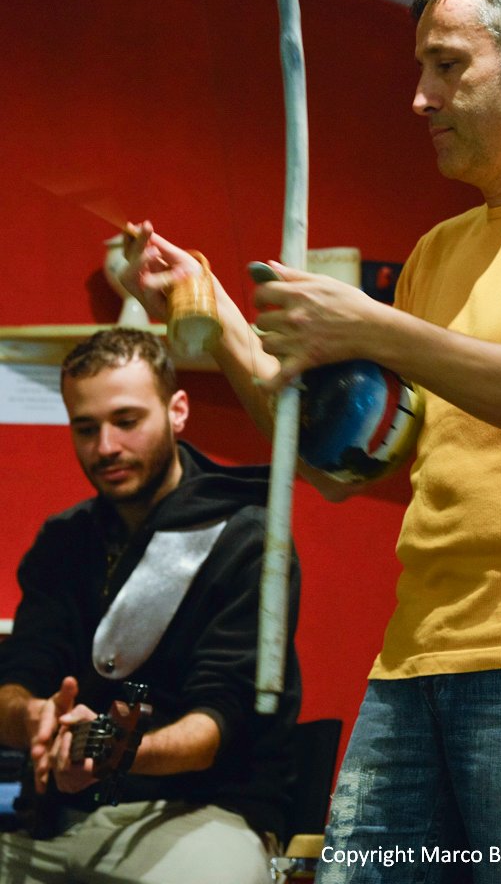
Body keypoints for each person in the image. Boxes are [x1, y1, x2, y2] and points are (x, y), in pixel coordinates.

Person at [123, 0, 501, 884]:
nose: (420, 97)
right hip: (416, 658)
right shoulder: (436, 253)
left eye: (447, 65)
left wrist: (375, 327)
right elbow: (347, 466)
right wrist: (217, 315)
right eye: (421, 68)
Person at [0, 328, 301, 884]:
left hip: (202, 814)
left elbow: (217, 724)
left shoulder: (248, 539)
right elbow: (17, 680)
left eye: (127, 420)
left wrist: (118, 752)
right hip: (55, 821)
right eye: (86, 428)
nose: (106, 446)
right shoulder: (63, 540)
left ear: (177, 410)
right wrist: (33, 716)